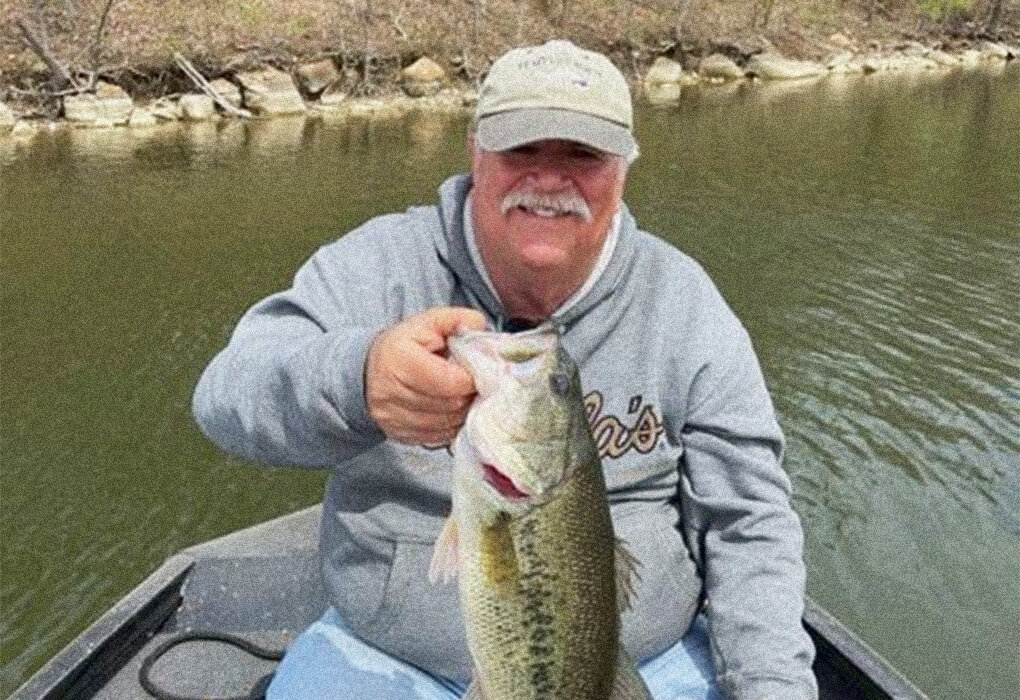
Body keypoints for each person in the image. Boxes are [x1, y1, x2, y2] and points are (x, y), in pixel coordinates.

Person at [192, 39, 818, 700]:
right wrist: (357, 380)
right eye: (522, 149)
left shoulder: (684, 303)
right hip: (388, 656)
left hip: (636, 669)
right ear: (475, 152)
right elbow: (226, 396)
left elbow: (750, 523)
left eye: (583, 155)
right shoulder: (378, 265)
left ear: (624, 171)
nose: (549, 181)